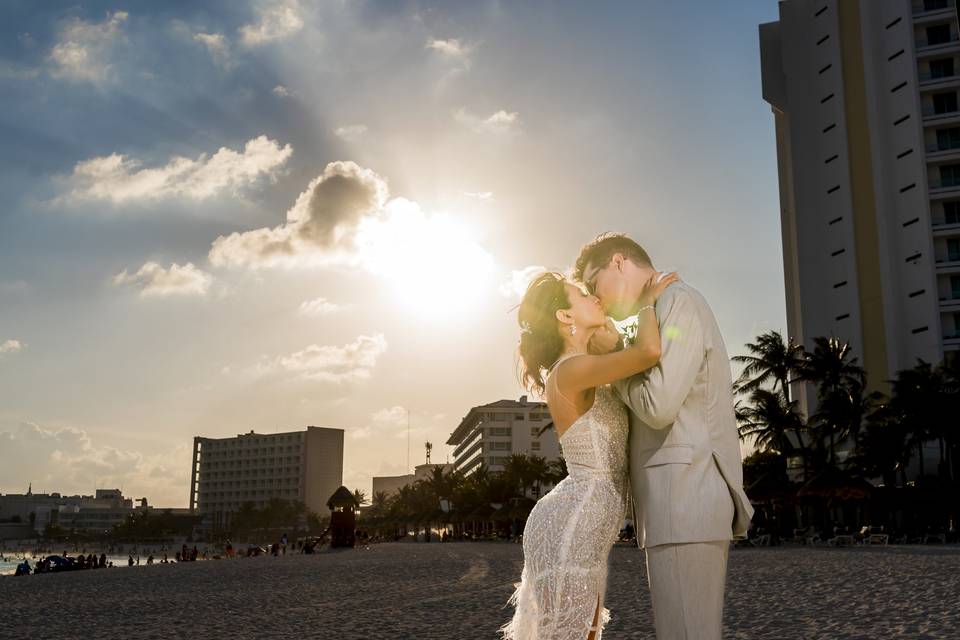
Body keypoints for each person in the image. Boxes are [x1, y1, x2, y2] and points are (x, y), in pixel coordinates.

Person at [575, 233, 754, 640]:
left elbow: (658, 405)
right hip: (677, 504)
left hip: (685, 498)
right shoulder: (656, 310)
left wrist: (612, 370)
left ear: (618, 262)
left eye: (592, 283)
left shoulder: (678, 302)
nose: (595, 297)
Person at [500, 268, 676, 639]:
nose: (594, 298)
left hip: (584, 516)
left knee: (584, 633)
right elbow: (648, 351)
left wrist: (607, 332)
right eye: (581, 294)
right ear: (564, 316)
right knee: (574, 634)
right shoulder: (571, 370)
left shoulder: (584, 366)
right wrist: (645, 303)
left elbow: (625, 352)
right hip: (575, 517)